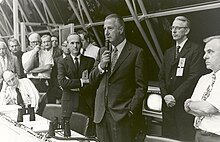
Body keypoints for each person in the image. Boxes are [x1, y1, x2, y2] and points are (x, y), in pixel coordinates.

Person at [89, 14, 147, 142]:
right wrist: (101, 65)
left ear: (121, 30)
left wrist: (130, 110)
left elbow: (141, 87)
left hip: (122, 116)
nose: (106, 32)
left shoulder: (136, 52)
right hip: (101, 115)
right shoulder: (102, 51)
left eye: (110, 28)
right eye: (104, 29)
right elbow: (92, 80)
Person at [158, 16, 207, 141]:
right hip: (167, 105)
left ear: (187, 31)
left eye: (178, 28)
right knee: (168, 138)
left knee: (183, 137)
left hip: (183, 105)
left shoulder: (195, 50)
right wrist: (165, 96)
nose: (174, 31)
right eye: (172, 28)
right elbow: (161, 76)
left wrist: (174, 96)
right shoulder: (168, 52)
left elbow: (193, 77)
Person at [57, 33, 96, 136]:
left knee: (86, 134)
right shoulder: (62, 62)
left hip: (86, 102)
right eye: (72, 43)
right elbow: (62, 82)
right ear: (68, 45)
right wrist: (82, 82)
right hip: (69, 104)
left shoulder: (90, 61)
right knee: (68, 134)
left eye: (78, 43)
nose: (75, 46)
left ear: (81, 44)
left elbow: (92, 83)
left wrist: (72, 85)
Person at [184, 35, 220, 142]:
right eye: (205, 52)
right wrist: (190, 105)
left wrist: (190, 104)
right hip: (198, 135)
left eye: (210, 52)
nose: (205, 56)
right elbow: (189, 109)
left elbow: (208, 108)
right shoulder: (203, 79)